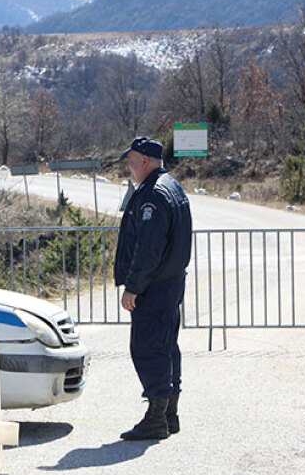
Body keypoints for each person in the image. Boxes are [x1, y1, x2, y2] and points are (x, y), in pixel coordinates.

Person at [113, 135, 192, 440]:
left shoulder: (152, 195)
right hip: (170, 283)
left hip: (154, 286)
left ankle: (156, 417)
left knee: (148, 348)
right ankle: (169, 414)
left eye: (131, 161)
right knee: (166, 346)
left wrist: (133, 287)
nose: (129, 168)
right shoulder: (171, 185)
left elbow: (149, 248)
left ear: (144, 161)